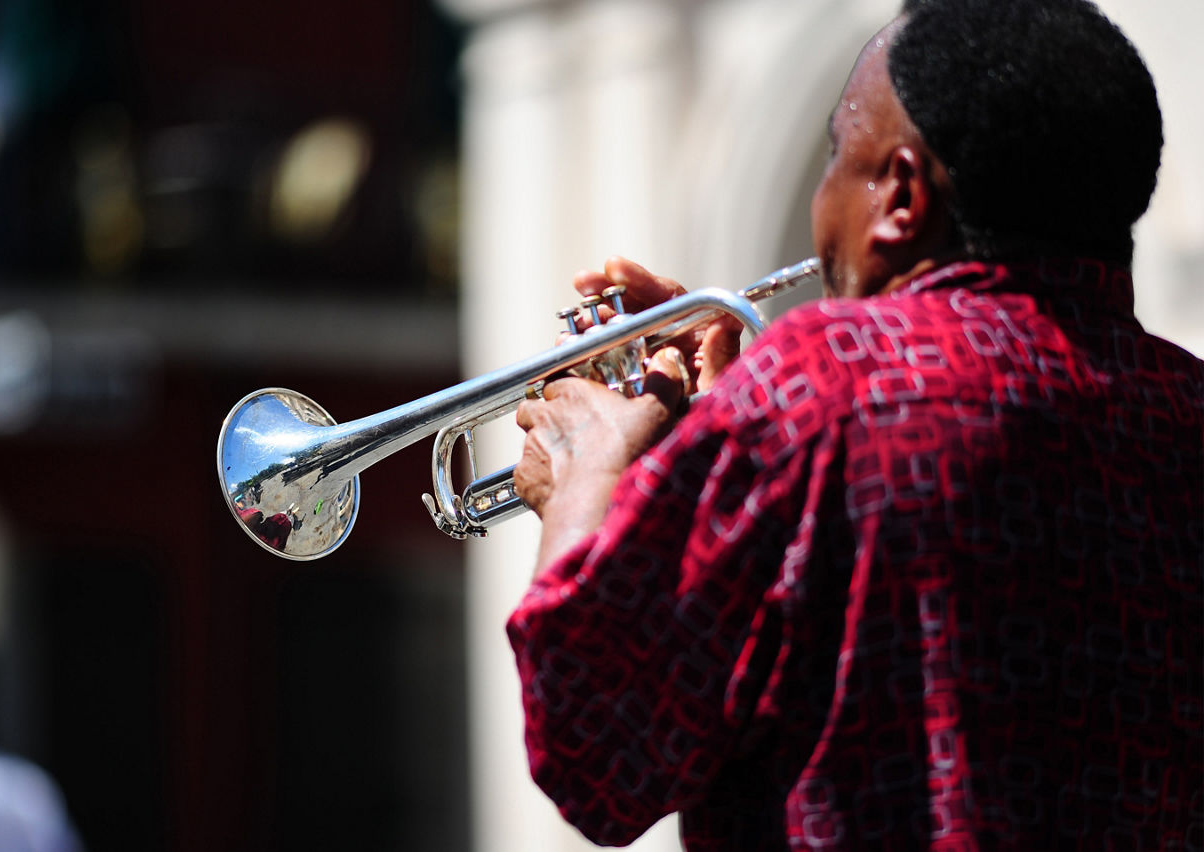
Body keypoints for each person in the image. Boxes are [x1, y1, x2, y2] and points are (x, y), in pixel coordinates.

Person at [508, 0, 1204, 848]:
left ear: (901, 197)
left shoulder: (823, 382)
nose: (822, 190)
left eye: (839, 153)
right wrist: (739, 427)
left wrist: (588, 480)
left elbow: (599, 754)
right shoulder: (1186, 409)